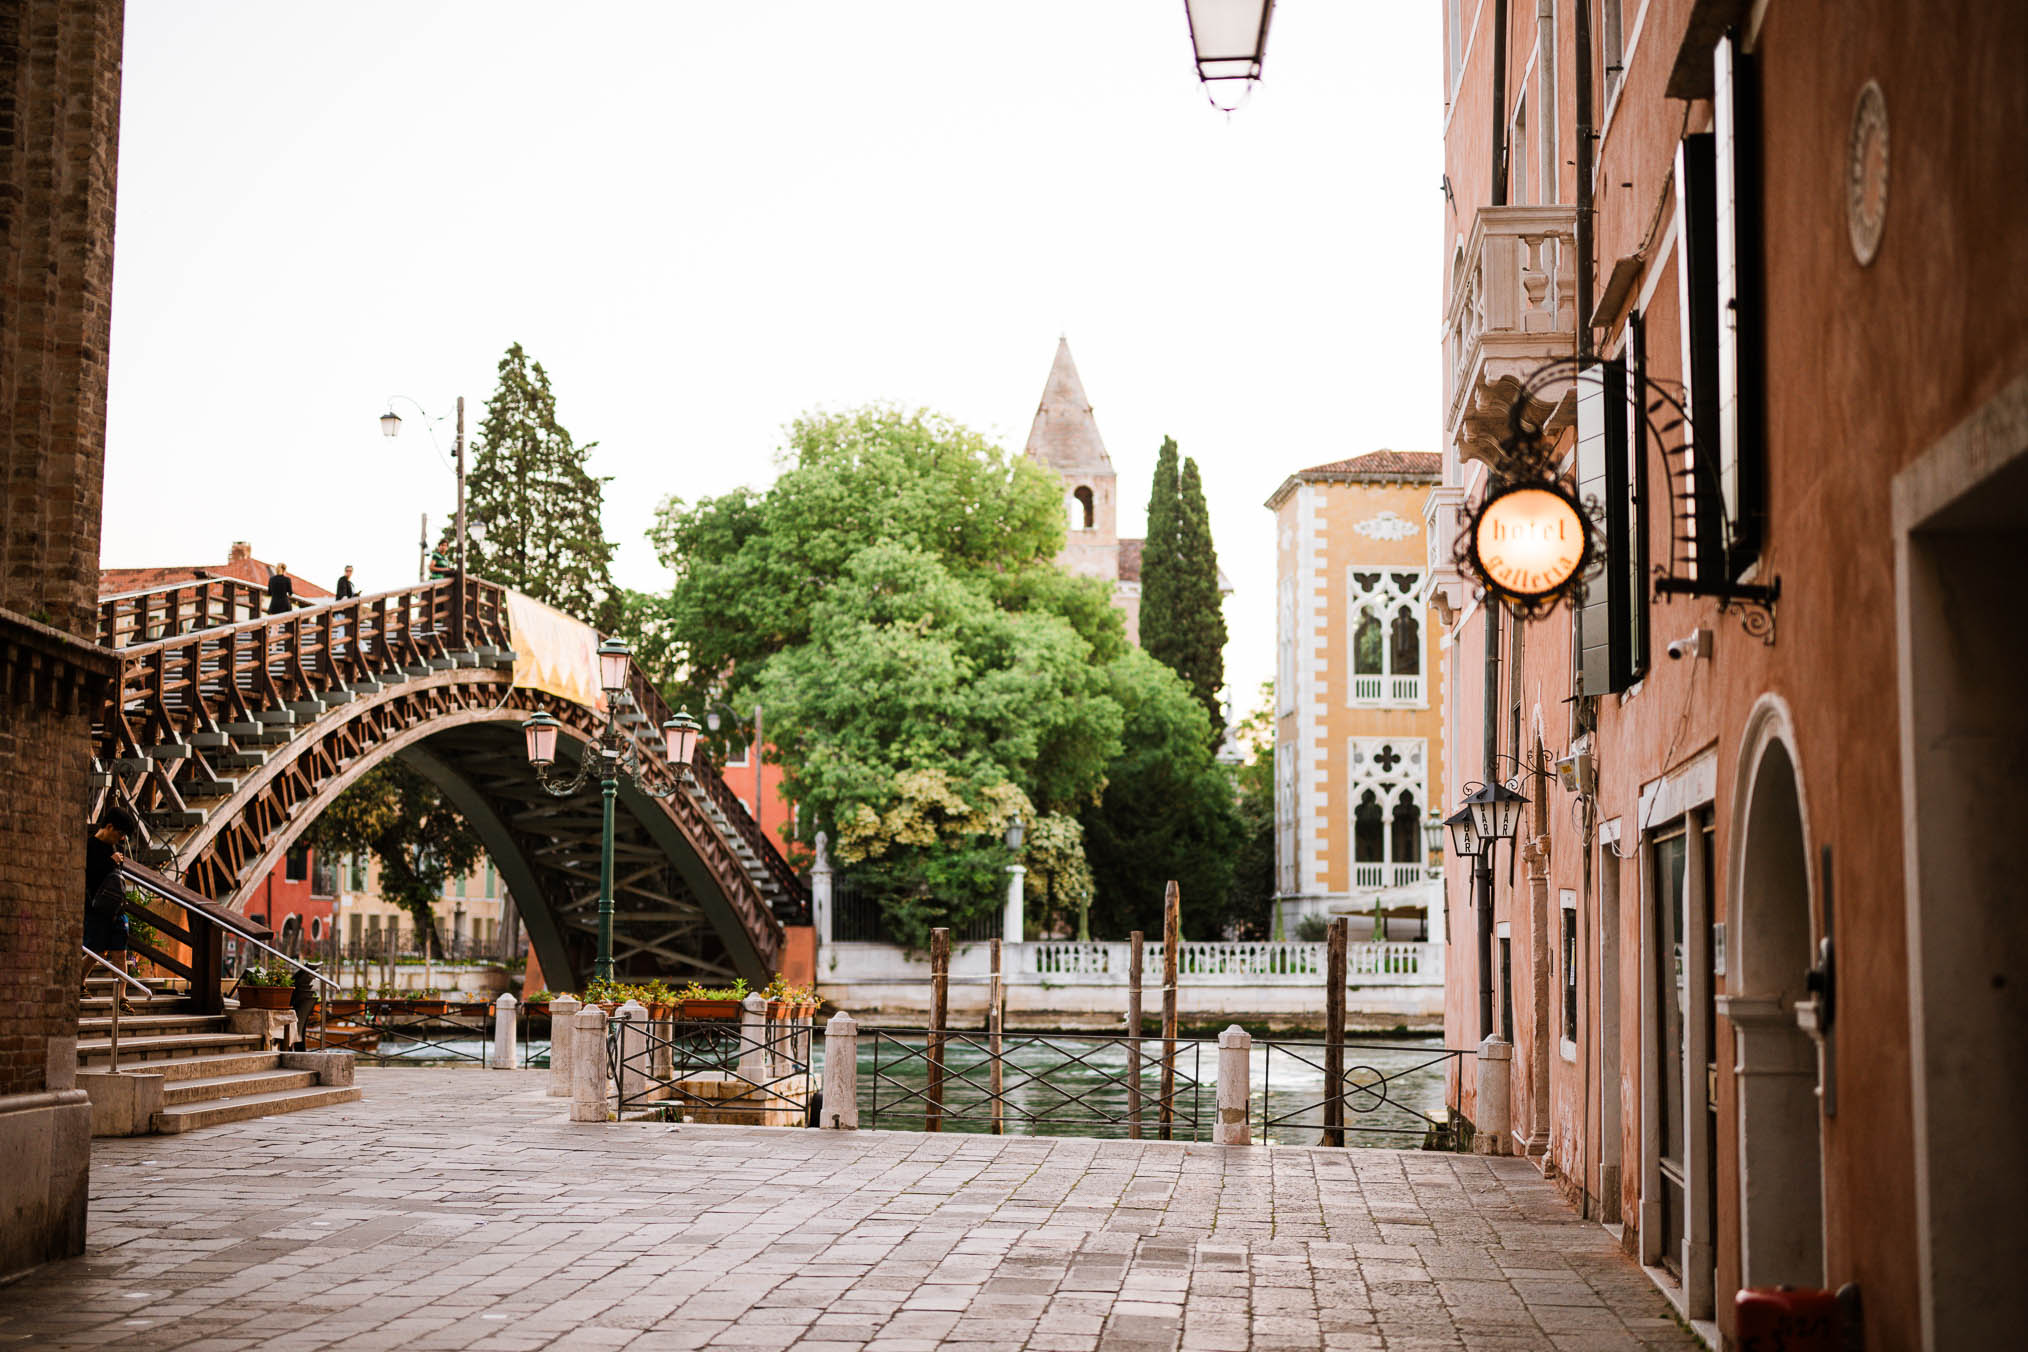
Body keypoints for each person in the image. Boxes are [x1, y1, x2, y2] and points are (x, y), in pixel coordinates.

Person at [84, 805, 140, 1014]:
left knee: (119, 953)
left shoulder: (112, 848)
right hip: (96, 908)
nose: (121, 839)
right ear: (109, 827)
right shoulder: (91, 846)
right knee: (96, 951)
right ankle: (79, 981)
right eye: (120, 833)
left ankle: (122, 997)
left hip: (116, 909)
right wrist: (111, 862)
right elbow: (90, 874)